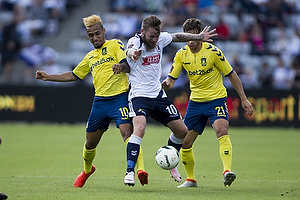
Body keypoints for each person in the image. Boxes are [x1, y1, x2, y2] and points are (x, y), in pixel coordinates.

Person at [35, 14, 148, 187]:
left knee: (128, 133)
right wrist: (48, 77)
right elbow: (74, 75)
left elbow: (126, 63)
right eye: (91, 36)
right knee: (89, 143)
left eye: (97, 34)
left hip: (120, 99)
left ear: (104, 31)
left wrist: (121, 67)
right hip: (100, 103)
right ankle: (87, 170)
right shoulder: (90, 57)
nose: (95, 38)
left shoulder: (115, 44)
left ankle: (139, 169)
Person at [118, 15, 217, 186]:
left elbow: (178, 36)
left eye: (157, 36)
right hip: (139, 96)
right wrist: (133, 53)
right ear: (143, 32)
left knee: (182, 131)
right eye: (151, 36)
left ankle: (170, 158)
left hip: (157, 95)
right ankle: (129, 172)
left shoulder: (160, 40)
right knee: (139, 128)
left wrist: (198, 37)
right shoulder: (135, 42)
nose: (155, 40)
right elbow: (130, 50)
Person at [162, 18, 253, 188]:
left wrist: (243, 98)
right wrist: (167, 83)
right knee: (186, 142)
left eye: (194, 36)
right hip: (195, 103)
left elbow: (232, 74)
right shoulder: (181, 54)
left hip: (216, 99)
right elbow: (171, 78)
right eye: (187, 37)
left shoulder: (213, 52)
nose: (190, 41)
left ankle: (227, 171)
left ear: (200, 35)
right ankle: (191, 180)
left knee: (221, 130)